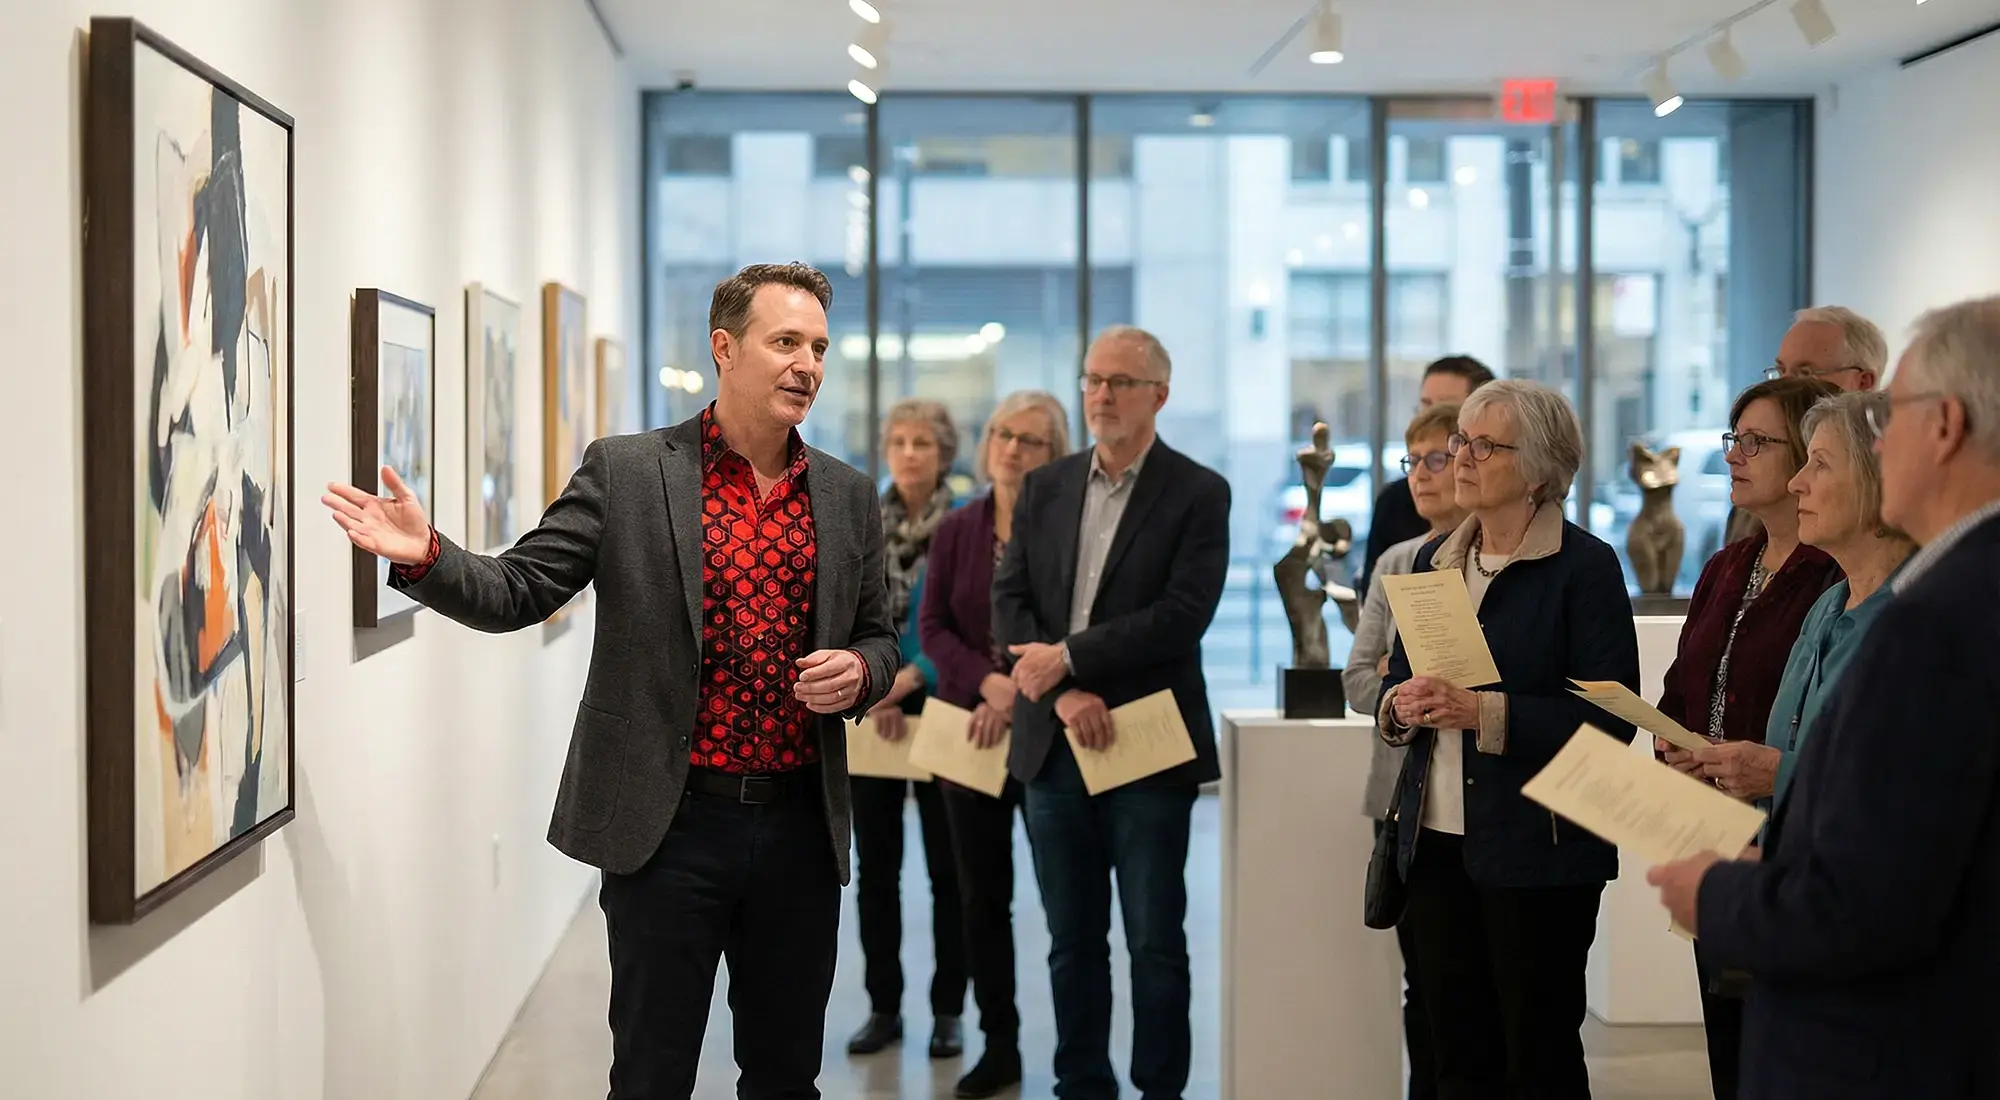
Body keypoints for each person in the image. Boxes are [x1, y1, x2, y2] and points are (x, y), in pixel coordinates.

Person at [321, 263, 902, 1100]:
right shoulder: (630, 472)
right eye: (785, 342)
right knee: (650, 1076)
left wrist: (861, 670)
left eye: (817, 346)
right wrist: (429, 557)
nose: (806, 364)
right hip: (667, 829)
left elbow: (879, 635)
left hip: (800, 830)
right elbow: (523, 588)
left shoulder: (846, 497)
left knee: (784, 1079)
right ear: (725, 348)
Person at [1650, 296, 2000, 1099]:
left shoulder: (1932, 624)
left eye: (1893, 415)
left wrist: (1719, 893)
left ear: (1944, 426)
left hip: (1885, 1049)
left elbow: (1863, 906)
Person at [1376, 379, 1640, 1099]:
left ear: (1540, 470)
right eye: (1460, 440)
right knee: (1456, 1053)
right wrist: (1400, 706)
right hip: (1434, 842)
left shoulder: (1584, 568)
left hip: (1542, 848)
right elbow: (1397, 684)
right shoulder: (1435, 560)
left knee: (1538, 1055)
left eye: (1482, 444)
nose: (1460, 456)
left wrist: (1483, 713)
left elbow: (1611, 720)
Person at [992, 325, 1230, 1100]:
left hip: (1148, 747)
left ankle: (1160, 1087)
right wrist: (1062, 689)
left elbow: (1183, 615)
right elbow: (1011, 603)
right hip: (1055, 744)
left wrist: (1074, 657)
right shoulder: (1047, 486)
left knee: (1156, 942)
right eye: (1093, 380)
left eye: (1120, 382)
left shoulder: (1198, 492)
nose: (1101, 395)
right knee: (1071, 942)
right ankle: (1081, 1085)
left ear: (1159, 394)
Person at [1647, 377, 1842, 1099]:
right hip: (1713, 835)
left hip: (1787, 840)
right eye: (1735, 438)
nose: (1736, 455)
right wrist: (1673, 746)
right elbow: (1684, 688)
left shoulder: (1833, 576)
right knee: (1726, 1039)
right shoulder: (1729, 565)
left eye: (1756, 442)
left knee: (1782, 1049)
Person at [918, 390, 1072, 1099]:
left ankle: (1078, 1052)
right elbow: (934, 628)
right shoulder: (956, 529)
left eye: (1030, 440)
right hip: (969, 733)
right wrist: (987, 684)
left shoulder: (1071, 526)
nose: (1011, 449)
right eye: (1003, 435)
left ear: (1056, 452)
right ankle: (1000, 1044)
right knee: (981, 900)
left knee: (1068, 902)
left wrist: (1024, 691)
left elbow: (1075, 625)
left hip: (1054, 738)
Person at [1341, 401, 1469, 1100]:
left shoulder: (1497, 561)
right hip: (1401, 800)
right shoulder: (1396, 560)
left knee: (1479, 983)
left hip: (1478, 795)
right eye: (1409, 461)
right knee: (1423, 976)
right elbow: (1357, 678)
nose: (1418, 476)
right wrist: (1401, 691)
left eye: (1435, 460)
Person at [846, 399, 968, 1060]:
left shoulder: (969, 520)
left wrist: (907, 677)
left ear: (944, 452)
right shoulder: (864, 514)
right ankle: (883, 1005)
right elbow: (846, 608)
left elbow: (963, 619)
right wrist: (875, 684)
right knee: (877, 870)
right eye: (898, 440)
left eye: (924, 441)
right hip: (876, 707)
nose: (910, 452)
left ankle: (949, 1009)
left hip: (944, 698)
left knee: (950, 871)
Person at [1727, 306, 1888, 544]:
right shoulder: (1750, 501)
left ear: (1863, 382)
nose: (1784, 386)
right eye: (1780, 371)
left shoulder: (1882, 490)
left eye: (1804, 373)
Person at [1359, 355, 1495, 596]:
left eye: (1447, 406)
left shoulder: (1505, 514)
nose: (1432, 416)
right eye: (1425, 405)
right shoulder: (1395, 505)